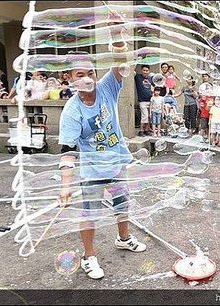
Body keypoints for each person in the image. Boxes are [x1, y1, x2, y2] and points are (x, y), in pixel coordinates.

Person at [58, 50, 146, 280]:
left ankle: (124, 239)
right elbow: (67, 153)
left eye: (91, 73)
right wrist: (65, 187)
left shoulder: (107, 88)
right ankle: (89, 256)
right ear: (70, 79)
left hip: (116, 163)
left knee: (122, 204)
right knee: (90, 214)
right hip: (92, 171)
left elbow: (121, 60)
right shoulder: (72, 110)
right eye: (80, 74)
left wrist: (117, 32)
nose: (87, 79)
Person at [134, 65, 153, 136]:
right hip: (142, 100)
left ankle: (147, 130)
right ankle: (141, 130)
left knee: (149, 116)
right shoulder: (138, 77)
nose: (145, 72)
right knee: (144, 116)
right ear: (141, 70)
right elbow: (132, 72)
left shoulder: (151, 78)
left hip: (150, 100)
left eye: (147, 70)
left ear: (149, 71)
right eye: (144, 70)